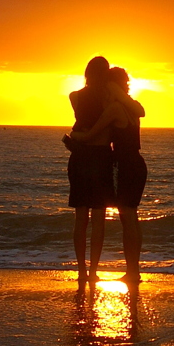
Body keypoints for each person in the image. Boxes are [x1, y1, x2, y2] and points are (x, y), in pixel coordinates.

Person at [71, 66, 147, 285]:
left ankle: (132, 272)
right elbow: (141, 110)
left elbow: (93, 132)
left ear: (113, 87)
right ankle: (134, 270)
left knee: (128, 218)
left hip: (126, 165)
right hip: (136, 163)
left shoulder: (115, 108)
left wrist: (75, 134)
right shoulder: (131, 107)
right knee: (132, 218)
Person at [64, 56, 115, 286]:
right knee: (99, 219)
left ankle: (81, 269)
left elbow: (80, 124)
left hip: (80, 157)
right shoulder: (108, 98)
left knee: (80, 218)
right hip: (100, 157)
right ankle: (93, 269)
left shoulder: (75, 96)